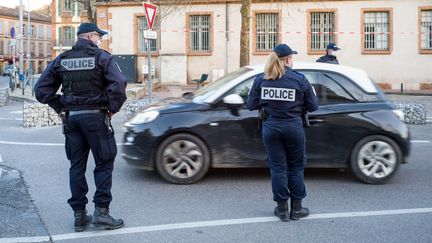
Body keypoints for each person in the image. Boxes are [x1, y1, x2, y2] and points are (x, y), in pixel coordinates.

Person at [34, 23, 127, 232]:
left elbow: (41, 90)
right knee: (104, 163)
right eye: (99, 36)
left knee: (76, 166)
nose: (100, 40)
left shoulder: (62, 59)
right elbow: (119, 84)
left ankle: (79, 216)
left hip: (72, 120)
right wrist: (112, 109)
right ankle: (102, 213)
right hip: (96, 118)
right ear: (92, 37)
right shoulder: (103, 57)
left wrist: (62, 106)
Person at [246, 44, 319, 222]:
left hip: (270, 127)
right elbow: (313, 106)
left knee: (278, 168)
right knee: (295, 168)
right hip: (293, 127)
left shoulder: (261, 79)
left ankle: (282, 210)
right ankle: (297, 209)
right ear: (287, 60)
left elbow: (250, 105)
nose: (292, 60)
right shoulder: (300, 79)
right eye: (291, 58)